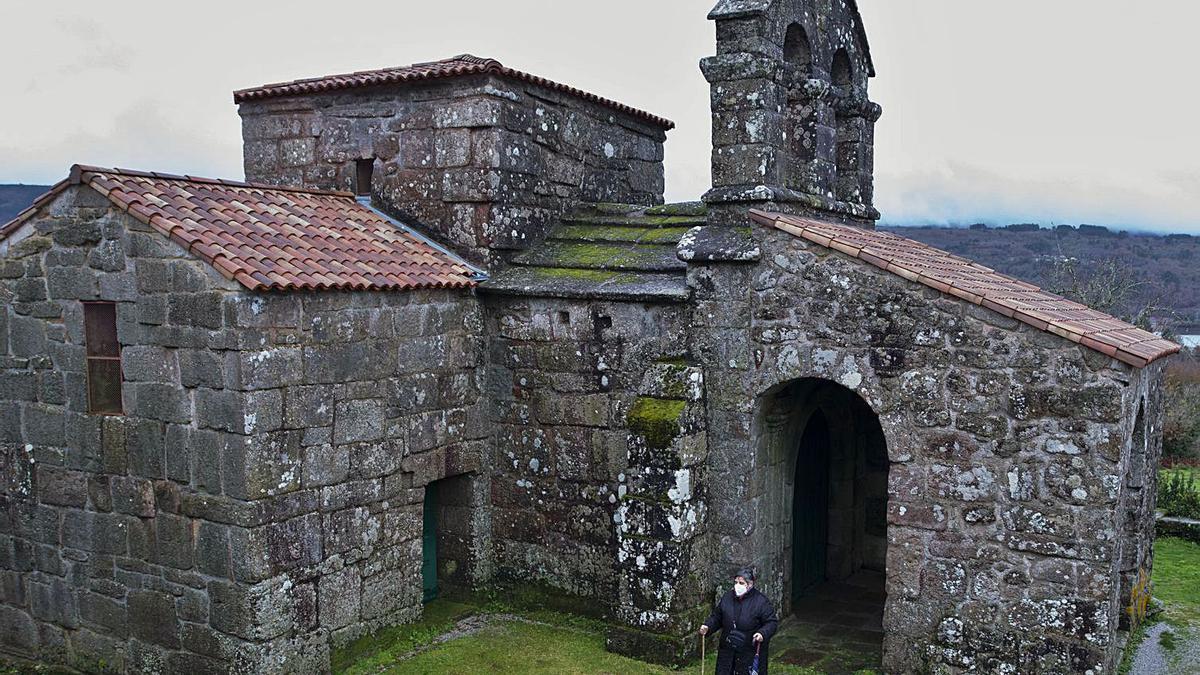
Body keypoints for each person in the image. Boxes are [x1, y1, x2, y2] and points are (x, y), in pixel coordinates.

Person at [700, 567, 779, 675]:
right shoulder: (727, 597)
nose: (737, 585)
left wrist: (762, 633)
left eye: (741, 583)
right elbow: (717, 617)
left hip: (749, 651)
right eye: (736, 582)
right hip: (727, 650)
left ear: (750, 584)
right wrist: (708, 626)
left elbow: (771, 622)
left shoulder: (761, 602)